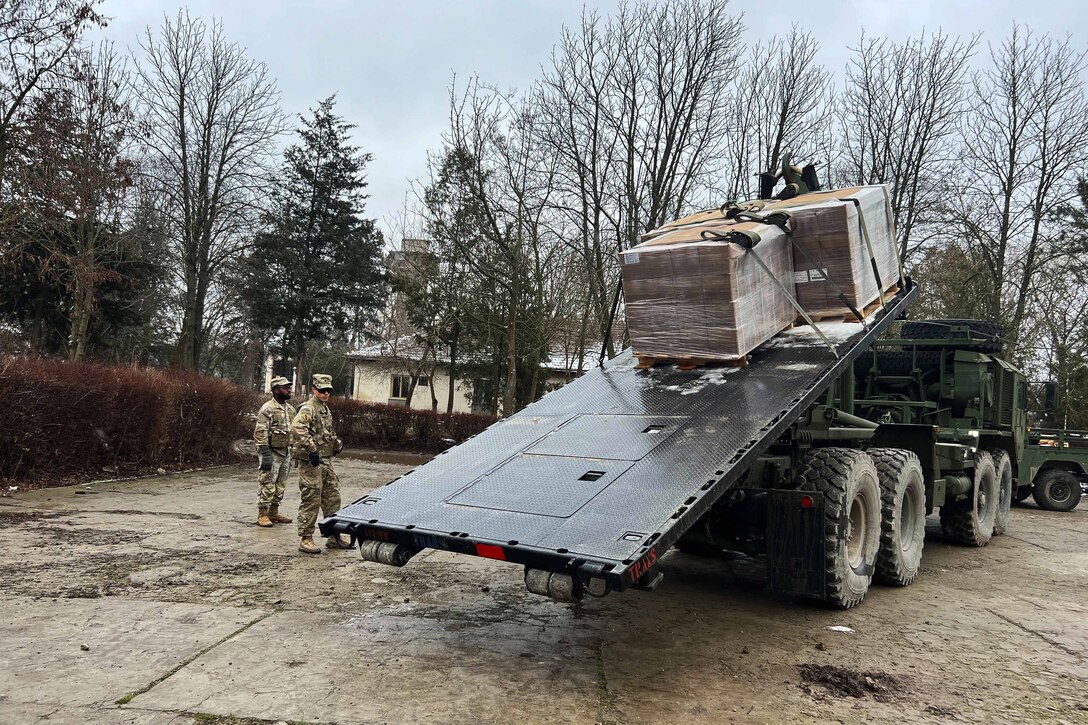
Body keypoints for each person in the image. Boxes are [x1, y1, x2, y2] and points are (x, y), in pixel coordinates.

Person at [291, 373, 349, 554]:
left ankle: (334, 536)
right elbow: (298, 428)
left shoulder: (324, 408)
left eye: (328, 391)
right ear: (314, 389)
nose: (326, 393)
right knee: (311, 499)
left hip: (325, 461)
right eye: (322, 390)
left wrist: (336, 443)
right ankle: (306, 538)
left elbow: (325, 432)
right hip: (312, 463)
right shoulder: (308, 408)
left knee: (332, 498)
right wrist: (312, 449)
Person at [253, 375, 296, 527]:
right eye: (285, 387)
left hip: (286, 452)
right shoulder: (268, 408)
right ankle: (262, 514)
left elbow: (293, 431)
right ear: (276, 390)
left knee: (281, 484)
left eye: (289, 387)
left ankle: (274, 511)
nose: (289, 389)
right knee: (267, 483)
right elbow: (260, 432)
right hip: (271, 452)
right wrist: (265, 454)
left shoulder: (290, 410)